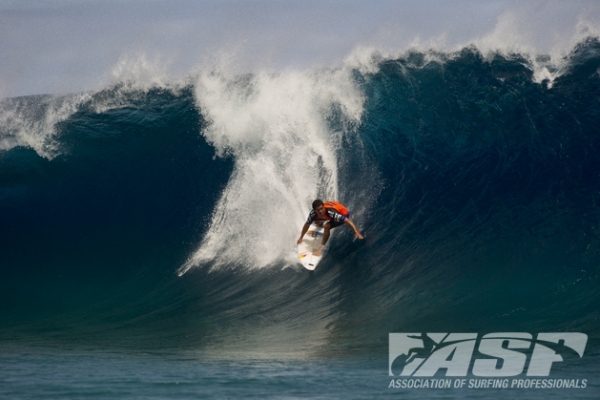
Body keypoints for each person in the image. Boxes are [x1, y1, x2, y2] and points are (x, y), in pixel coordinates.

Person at [297, 199, 363, 256]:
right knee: (315, 221)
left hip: (344, 214)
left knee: (327, 226)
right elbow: (307, 224)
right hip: (334, 206)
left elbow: (347, 220)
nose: (320, 211)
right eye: (318, 210)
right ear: (314, 210)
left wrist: (356, 232)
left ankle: (320, 249)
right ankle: (322, 225)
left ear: (323, 207)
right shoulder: (313, 214)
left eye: (321, 208)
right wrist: (301, 237)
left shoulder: (331, 213)